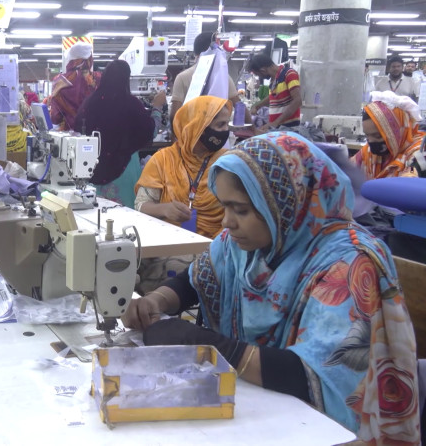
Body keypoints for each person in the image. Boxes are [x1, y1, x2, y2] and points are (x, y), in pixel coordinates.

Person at [123, 132, 419, 445]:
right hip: (271, 409)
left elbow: (312, 376)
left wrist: (204, 344)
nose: (226, 222)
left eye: (240, 210)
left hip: (329, 426)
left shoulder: (349, 264)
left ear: (284, 203)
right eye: (225, 207)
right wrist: (157, 300)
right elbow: (196, 280)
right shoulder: (245, 243)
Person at [135, 95, 231, 238]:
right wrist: (164, 209)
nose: (226, 130)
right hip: (171, 243)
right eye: (220, 125)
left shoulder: (228, 163)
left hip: (218, 245)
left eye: (227, 124)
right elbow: (141, 205)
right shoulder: (163, 160)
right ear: (198, 127)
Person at [75, 60, 163, 208]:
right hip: (124, 169)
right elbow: (151, 131)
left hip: (92, 169)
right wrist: (157, 108)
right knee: (125, 215)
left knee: (95, 213)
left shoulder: (89, 103)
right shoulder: (131, 104)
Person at [170, 31, 248, 124]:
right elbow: (239, 106)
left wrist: (176, 133)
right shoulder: (223, 78)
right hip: (217, 130)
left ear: (196, 53)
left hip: (191, 130)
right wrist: (252, 129)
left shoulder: (182, 77)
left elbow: (174, 114)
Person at [353, 91, 424, 180]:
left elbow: (409, 183)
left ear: (397, 132)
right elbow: (347, 170)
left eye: (378, 136)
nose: (371, 142)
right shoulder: (368, 152)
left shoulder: (419, 156)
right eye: (367, 136)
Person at [50, 42, 101, 131]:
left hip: (69, 133)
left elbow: (55, 118)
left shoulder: (59, 81)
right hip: (95, 133)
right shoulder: (98, 78)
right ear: (89, 59)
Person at [248, 54, 302, 132]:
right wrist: (257, 106)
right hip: (277, 128)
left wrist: (275, 123)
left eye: (258, 75)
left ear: (263, 70)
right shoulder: (274, 80)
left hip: (289, 128)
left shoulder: (289, 74)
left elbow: (297, 101)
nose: (260, 77)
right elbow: (273, 97)